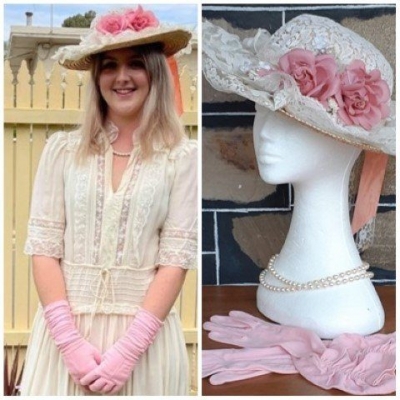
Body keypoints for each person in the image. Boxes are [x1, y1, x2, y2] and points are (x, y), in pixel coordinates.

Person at [21, 5, 197, 396]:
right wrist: (70, 346)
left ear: (154, 73)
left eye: (135, 63)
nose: (122, 77)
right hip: (64, 340)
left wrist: (127, 354)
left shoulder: (182, 158)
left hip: (143, 346)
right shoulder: (62, 151)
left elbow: (175, 259)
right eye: (108, 65)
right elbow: (44, 250)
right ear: (96, 76)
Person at [203, 14, 394, 337]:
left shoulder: (352, 310)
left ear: (349, 142)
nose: (264, 133)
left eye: (296, 120)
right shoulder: (281, 275)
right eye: (262, 109)